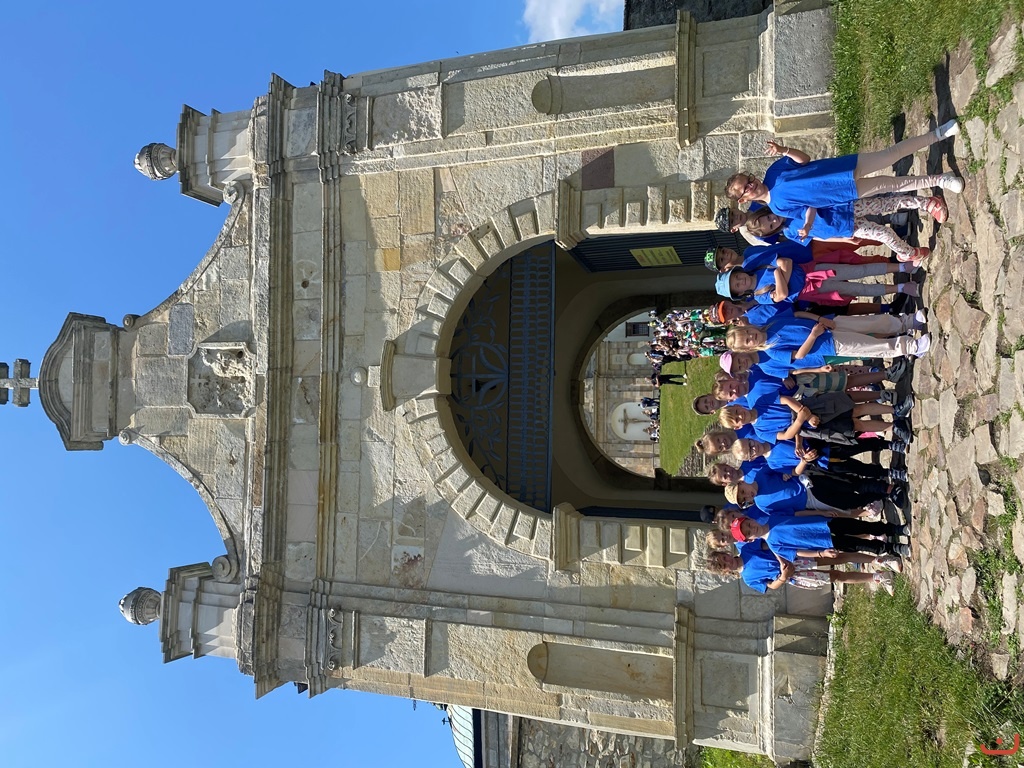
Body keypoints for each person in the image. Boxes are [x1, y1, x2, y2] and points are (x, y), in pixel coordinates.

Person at [724, 127, 963, 218]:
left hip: (841, 168)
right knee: (893, 185)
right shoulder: (778, 208)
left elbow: (804, 159)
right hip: (843, 193)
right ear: (744, 200)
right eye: (746, 189)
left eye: (749, 179)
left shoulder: (774, 172)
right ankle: (941, 180)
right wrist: (807, 226)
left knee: (891, 155)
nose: (751, 185)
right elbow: (808, 210)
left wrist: (784, 150)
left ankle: (939, 133)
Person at [744, 201, 943, 262]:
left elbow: (811, 205)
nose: (773, 221)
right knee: (884, 234)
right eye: (771, 226)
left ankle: (925, 203)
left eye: (769, 218)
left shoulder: (785, 207)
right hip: (847, 228)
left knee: (887, 203)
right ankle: (909, 253)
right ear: (772, 232)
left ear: (767, 211)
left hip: (846, 208)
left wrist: (808, 223)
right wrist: (845, 240)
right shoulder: (789, 233)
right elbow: (820, 237)